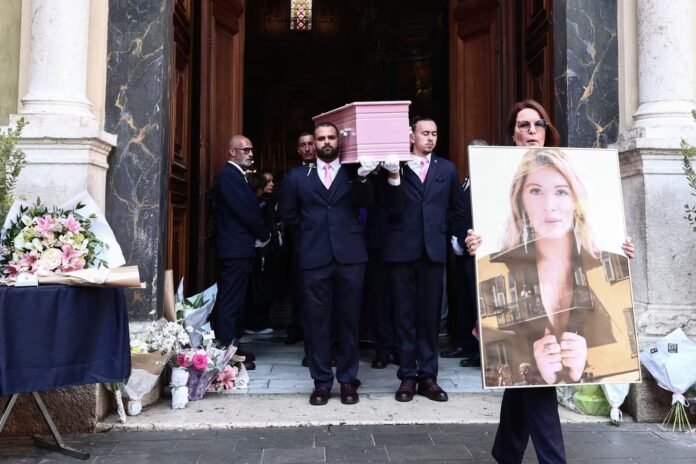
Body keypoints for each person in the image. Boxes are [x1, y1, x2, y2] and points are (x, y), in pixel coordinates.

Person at [465, 99, 635, 464]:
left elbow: (620, 343)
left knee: (525, 387)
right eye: (535, 192)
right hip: (514, 294)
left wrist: (620, 249)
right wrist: (474, 244)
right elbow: (474, 236)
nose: (550, 205)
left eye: (537, 124)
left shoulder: (599, 262)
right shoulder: (502, 256)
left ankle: (506, 453)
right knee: (536, 386)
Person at [278, 122, 377, 406]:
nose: (326, 142)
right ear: (314, 142)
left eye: (331, 137)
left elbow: (369, 202)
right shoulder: (296, 176)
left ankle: (348, 381)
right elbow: (288, 213)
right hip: (313, 257)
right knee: (316, 323)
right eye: (321, 138)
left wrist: (364, 177)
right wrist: (311, 233)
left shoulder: (353, 172)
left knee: (349, 321)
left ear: (339, 140)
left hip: (350, 257)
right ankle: (321, 382)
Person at [381, 117, 469, 403]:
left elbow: (457, 209)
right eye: (425, 133)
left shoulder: (446, 168)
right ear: (411, 136)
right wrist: (394, 178)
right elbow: (390, 210)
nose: (430, 138)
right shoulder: (395, 166)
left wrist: (456, 237)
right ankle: (407, 375)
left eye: (434, 133)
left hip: (433, 251)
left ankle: (428, 377)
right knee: (404, 315)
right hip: (401, 251)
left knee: (430, 317)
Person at [212, 135, 271, 348]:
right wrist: (264, 234)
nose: (251, 154)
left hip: (239, 247)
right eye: (246, 150)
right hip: (235, 248)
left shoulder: (237, 175)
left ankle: (232, 345)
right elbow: (245, 210)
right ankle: (227, 346)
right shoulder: (229, 175)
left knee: (236, 297)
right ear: (232, 151)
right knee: (231, 298)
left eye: (251, 150)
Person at [284, 132, 316, 347]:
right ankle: (300, 332)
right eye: (303, 145)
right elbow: (288, 213)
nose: (307, 148)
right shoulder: (293, 176)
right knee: (302, 291)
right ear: (298, 150)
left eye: (310, 144)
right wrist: (306, 230)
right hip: (302, 242)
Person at [244, 171, 281, 336]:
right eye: (267, 181)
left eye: (273, 181)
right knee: (259, 287)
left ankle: (260, 321)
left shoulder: (268, 202)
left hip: (269, 251)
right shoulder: (259, 204)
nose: (271, 184)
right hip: (261, 251)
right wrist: (266, 237)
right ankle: (255, 323)